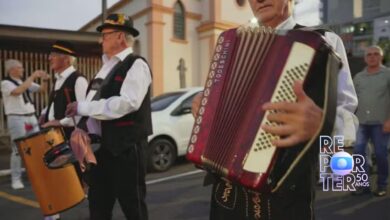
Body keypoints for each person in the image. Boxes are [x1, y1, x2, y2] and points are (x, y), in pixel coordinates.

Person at [191, 0, 358, 219]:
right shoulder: (232, 43)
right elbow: (221, 100)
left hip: (286, 195)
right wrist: (203, 103)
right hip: (226, 194)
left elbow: (346, 114)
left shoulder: (323, 41)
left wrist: (322, 125)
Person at [65, 13, 152, 220]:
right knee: (98, 207)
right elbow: (93, 108)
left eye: (105, 35)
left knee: (134, 208)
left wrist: (83, 107)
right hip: (101, 150)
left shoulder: (137, 64)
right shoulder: (105, 68)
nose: (100, 40)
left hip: (126, 149)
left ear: (120, 37)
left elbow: (128, 102)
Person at [1, 59, 48, 190]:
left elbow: (42, 90)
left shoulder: (24, 82)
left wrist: (44, 79)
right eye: (20, 68)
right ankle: (16, 179)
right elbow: (17, 91)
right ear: (12, 70)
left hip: (31, 117)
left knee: (36, 147)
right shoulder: (5, 83)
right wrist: (33, 76)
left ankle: (36, 175)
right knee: (18, 150)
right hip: (17, 118)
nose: (22, 70)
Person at [352, 45, 390, 197]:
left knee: (381, 154)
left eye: (376, 54)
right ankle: (363, 185)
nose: (372, 57)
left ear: (381, 57)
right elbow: (352, 99)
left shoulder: (387, 74)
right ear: (365, 58)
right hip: (362, 122)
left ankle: (382, 185)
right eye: (369, 55)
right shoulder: (359, 77)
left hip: (381, 122)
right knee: (359, 153)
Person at [40, 40, 88, 139]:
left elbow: (84, 110)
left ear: (66, 59)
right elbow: (57, 102)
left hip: (70, 136)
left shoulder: (78, 79)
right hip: (56, 135)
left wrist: (59, 122)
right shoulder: (58, 79)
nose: (49, 58)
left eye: (53, 55)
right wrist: (45, 113)